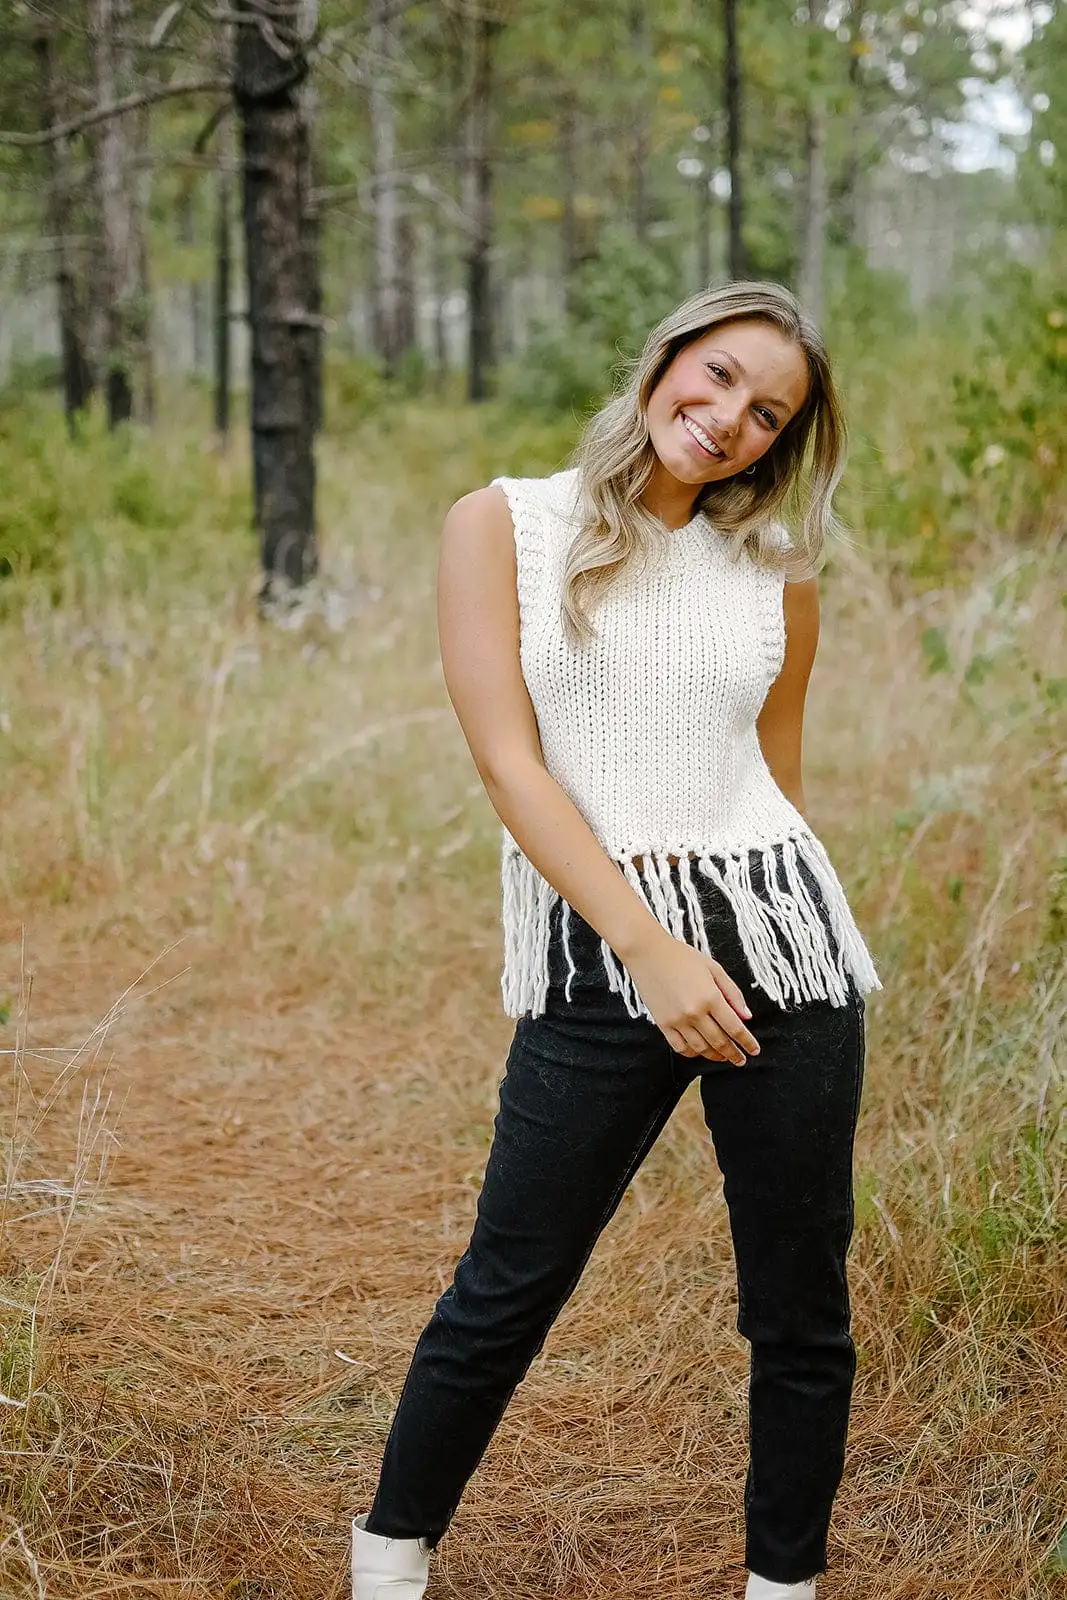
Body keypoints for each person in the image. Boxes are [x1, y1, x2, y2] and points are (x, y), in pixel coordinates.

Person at [351, 279, 882, 1600]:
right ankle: (386, 1568)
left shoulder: (775, 572)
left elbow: (776, 774)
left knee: (798, 1308)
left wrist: (744, 937)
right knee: (504, 1288)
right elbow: (508, 763)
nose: (727, 421)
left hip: (784, 948)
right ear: (665, 362)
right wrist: (648, 947)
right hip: (605, 956)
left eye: (767, 414)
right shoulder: (503, 524)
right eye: (714, 378)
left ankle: (782, 1587)